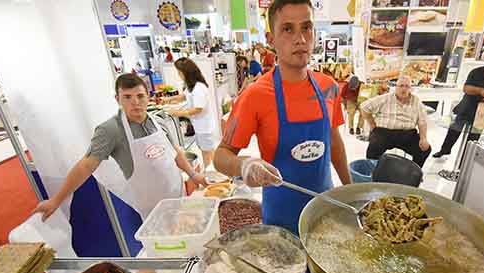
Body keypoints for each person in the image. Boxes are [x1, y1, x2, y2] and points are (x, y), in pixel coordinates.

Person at [214, 0, 351, 236]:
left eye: (306, 27)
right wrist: (245, 165)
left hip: (324, 210)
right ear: (271, 39)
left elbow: (334, 141)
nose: (300, 39)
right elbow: (220, 156)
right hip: (281, 217)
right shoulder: (254, 96)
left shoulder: (329, 87)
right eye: (288, 29)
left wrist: (350, 191)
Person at [33, 74, 207, 252]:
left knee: (193, 247)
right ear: (118, 99)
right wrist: (56, 200)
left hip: (179, 200)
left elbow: (175, 152)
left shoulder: (159, 121)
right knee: (171, 252)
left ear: (148, 96)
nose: (135, 102)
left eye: (140, 96)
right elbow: (86, 165)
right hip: (153, 213)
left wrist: (193, 174)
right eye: (127, 97)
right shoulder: (110, 130)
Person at [433, 52, 484, 158]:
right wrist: (480, 90)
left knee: (473, 138)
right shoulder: (476, 72)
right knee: (454, 130)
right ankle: (445, 150)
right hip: (467, 107)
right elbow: (466, 88)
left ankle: (466, 158)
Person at [361, 76, 431, 167]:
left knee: (425, 149)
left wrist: (423, 138)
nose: (404, 89)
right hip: (384, 132)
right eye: (401, 86)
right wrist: (372, 124)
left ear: (411, 88)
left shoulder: (416, 101)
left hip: (407, 134)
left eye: (407, 86)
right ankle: (372, 171)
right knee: (374, 148)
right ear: (396, 87)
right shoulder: (385, 98)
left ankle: (413, 172)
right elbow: (364, 107)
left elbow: (422, 121)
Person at [164, 58, 220, 168]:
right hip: (200, 127)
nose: (178, 75)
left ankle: (213, 177)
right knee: (206, 153)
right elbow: (184, 96)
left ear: (186, 73)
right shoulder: (192, 86)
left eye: (179, 72)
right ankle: (210, 175)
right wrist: (168, 99)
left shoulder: (199, 87)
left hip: (205, 128)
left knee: (208, 155)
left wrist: (178, 113)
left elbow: (198, 109)